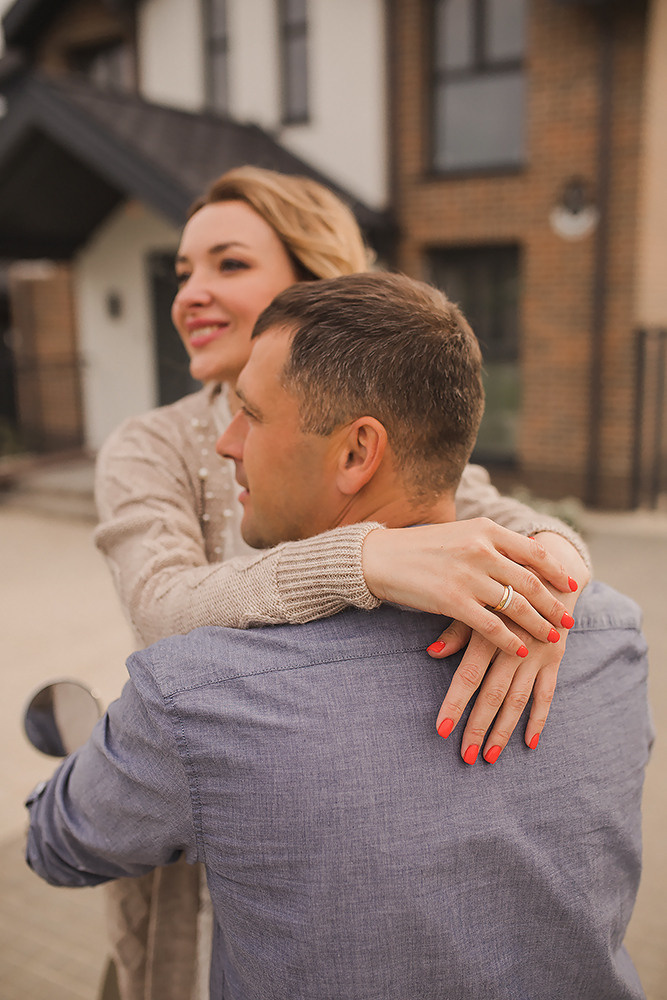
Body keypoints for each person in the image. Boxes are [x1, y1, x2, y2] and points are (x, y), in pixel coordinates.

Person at [27, 273, 651, 999]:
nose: (227, 443)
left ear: (357, 453)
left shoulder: (199, 699)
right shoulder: (610, 638)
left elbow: (57, 844)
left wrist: (118, 749)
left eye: (249, 413)